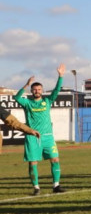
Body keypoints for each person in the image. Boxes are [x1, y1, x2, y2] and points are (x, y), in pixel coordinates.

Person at [14, 64, 66, 195]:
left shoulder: (47, 101)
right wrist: (26, 84)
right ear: (31, 91)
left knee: (55, 159)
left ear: (42, 91)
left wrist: (60, 76)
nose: (37, 91)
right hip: (32, 137)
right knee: (33, 163)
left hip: (48, 136)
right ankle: (36, 188)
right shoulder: (28, 103)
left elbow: (56, 90)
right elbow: (17, 98)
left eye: (39, 89)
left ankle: (56, 186)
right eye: (35, 89)